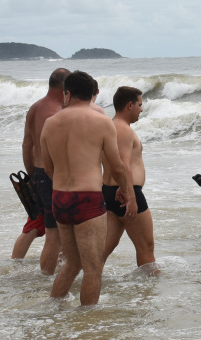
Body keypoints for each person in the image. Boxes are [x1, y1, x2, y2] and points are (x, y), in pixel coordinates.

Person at [41, 70, 135, 306]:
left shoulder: (50, 124)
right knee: (93, 269)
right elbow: (117, 166)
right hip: (88, 200)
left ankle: (52, 310)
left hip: (60, 199)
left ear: (68, 94)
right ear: (92, 93)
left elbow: (48, 168)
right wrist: (127, 192)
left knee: (72, 263)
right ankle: (88, 322)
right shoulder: (102, 122)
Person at [102, 86, 156, 271]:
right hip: (126, 192)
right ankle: (149, 288)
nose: (141, 109)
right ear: (129, 105)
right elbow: (123, 164)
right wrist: (131, 196)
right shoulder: (122, 129)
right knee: (146, 248)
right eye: (139, 105)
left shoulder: (109, 126)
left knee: (103, 249)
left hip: (110, 192)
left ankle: (86, 279)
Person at [22, 67, 69, 274]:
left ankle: (55, 275)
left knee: (55, 234)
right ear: (65, 88)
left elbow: (26, 146)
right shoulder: (58, 113)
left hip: (39, 174)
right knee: (55, 236)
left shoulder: (35, 108)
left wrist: (32, 176)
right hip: (53, 177)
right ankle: (47, 279)